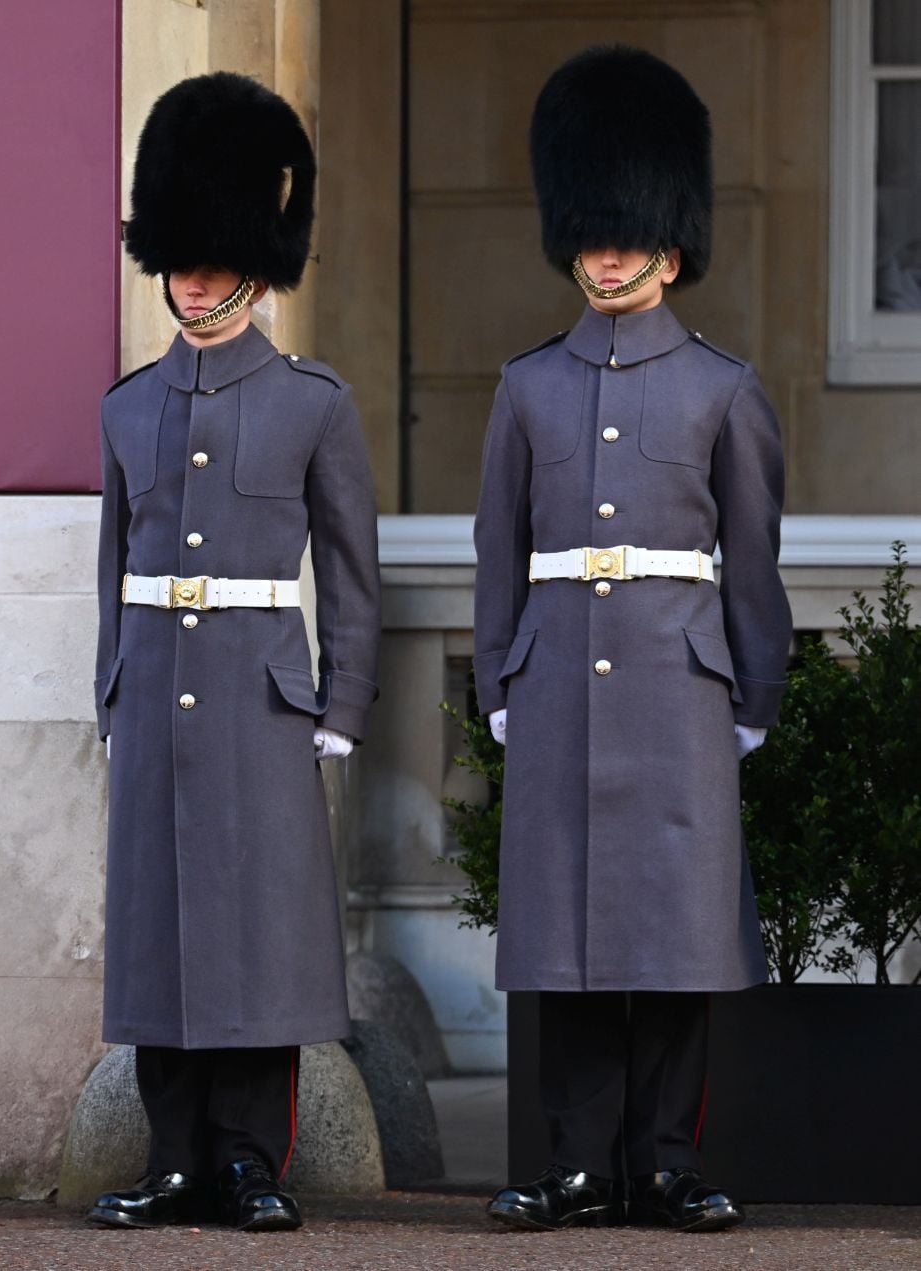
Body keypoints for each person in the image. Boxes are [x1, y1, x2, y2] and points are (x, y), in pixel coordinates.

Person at [474, 46, 791, 1234]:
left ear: (668, 239)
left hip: (678, 687)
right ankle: (572, 1163)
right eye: (591, 236)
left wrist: (752, 692)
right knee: (563, 940)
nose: (605, 256)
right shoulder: (528, 387)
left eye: (625, 236)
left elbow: (750, 558)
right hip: (557, 679)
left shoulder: (722, 389)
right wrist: (498, 673)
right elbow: (497, 547)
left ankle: (665, 1160)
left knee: (672, 937)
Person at [88, 73, 381, 1235]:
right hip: (158, 693)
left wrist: (341, 702)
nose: (194, 280)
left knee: (260, 937)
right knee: (160, 933)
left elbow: (354, 571)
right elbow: (112, 569)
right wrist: (110, 693)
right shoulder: (125, 406)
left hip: (263, 697)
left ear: (256, 266)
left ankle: (254, 1160)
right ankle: (174, 1161)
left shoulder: (314, 403)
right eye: (182, 260)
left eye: (214, 261)